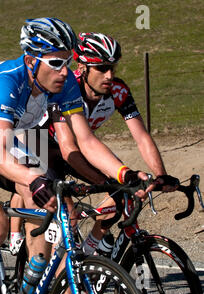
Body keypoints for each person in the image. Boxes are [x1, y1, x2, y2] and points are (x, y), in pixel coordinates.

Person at [0, 18, 152, 294]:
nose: (64, 71)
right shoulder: (8, 82)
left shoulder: (63, 84)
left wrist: (124, 176)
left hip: (5, 133)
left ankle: (32, 283)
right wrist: (31, 178)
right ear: (30, 60)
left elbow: (82, 142)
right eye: (55, 63)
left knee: (47, 199)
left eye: (67, 61)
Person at [9, 32, 179, 256]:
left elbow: (141, 137)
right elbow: (68, 148)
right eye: (101, 68)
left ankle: (89, 252)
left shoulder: (118, 91)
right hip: (41, 146)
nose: (109, 75)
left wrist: (160, 174)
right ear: (82, 67)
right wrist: (103, 181)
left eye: (112, 67)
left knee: (121, 197)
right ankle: (16, 235)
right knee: (67, 213)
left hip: (79, 148)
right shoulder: (66, 89)